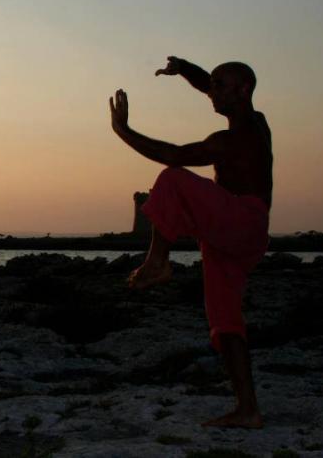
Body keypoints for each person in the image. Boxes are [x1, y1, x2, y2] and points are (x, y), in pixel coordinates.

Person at [108, 56, 273, 429]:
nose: (211, 92)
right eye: (211, 84)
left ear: (243, 90)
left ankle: (157, 261)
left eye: (219, 85)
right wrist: (185, 69)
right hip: (235, 236)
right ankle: (248, 409)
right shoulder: (257, 122)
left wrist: (123, 130)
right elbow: (208, 87)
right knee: (225, 320)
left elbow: (174, 155)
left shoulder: (235, 139)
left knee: (172, 178)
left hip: (241, 219)